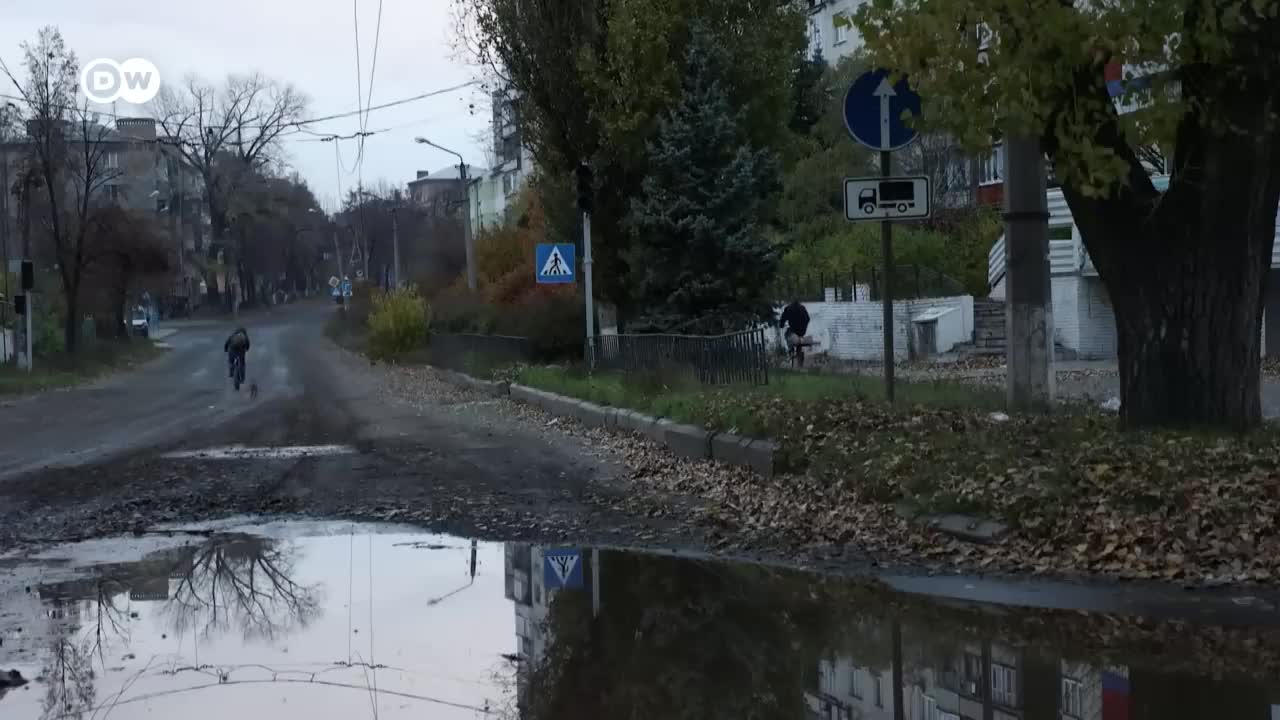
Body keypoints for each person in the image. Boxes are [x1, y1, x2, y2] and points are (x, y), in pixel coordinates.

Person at [779, 299, 810, 367]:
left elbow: (782, 322)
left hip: (793, 332)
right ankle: (799, 361)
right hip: (801, 332)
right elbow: (808, 319)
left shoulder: (788, 309)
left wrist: (782, 325)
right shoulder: (803, 308)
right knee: (799, 343)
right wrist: (803, 328)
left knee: (787, 334)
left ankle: (791, 350)